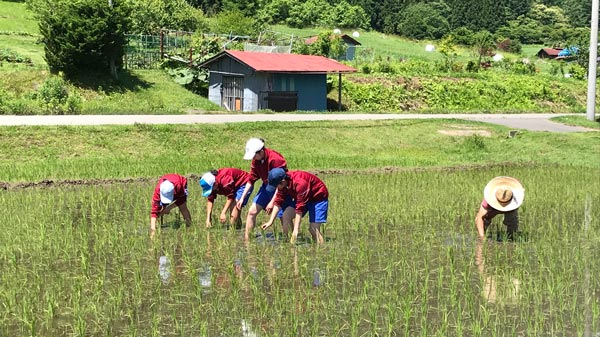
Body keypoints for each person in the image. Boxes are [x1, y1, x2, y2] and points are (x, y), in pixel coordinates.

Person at [236, 138, 287, 241]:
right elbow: (251, 180)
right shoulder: (256, 161)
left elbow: (281, 182)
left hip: (279, 189)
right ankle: (247, 240)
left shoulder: (275, 159)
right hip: (266, 187)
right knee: (252, 211)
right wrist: (242, 198)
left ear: (261, 151)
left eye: (254, 155)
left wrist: (272, 202)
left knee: (283, 216)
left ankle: (288, 241)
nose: (253, 158)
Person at [261, 168, 329, 244]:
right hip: (302, 197)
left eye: (277, 186)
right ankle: (288, 243)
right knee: (286, 215)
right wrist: (270, 221)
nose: (276, 188)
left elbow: (300, 208)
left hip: (318, 198)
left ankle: (320, 250)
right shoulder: (283, 184)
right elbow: (278, 201)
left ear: (283, 181)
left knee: (313, 229)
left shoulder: (300, 183)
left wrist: (296, 230)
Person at [475, 176, 525, 240]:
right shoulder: (488, 201)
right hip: (493, 208)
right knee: (484, 220)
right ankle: (481, 235)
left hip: (511, 206)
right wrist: (482, 237)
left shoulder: (515, 197)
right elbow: (480, 217)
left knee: (512, 221)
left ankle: (511, 237)